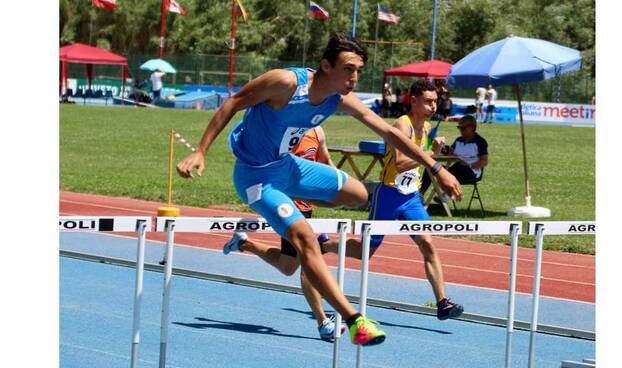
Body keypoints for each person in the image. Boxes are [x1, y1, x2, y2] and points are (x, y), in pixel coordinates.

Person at [175, 32, 463, 347]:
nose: (354, 78)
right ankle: (355, 321)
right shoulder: (285, 83)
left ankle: (294, 215)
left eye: (358, 71)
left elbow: (386, 130)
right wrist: (201, 150)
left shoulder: (339, 98)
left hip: (287, 168)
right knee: (305, 240)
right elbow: (233, 102)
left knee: (359, 196)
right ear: (326, 65)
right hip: (256, 177)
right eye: (348, 69)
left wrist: (435, 168)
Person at [321, 79, 464, 320]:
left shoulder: (427, 127)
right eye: (428, 101)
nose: (433, 106)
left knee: (427, 243)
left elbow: (419, 164)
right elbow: (400, 163)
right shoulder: (402, 124)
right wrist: (432, 155)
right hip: (388, 195)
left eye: (435, 102)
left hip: (411, 198)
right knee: (366, 251)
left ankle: (442, 302)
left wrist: (434, 151)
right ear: (414, 100)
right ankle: (324, 245)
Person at [222, 127, 347, 341]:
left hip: (306, 207)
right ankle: (323, 322)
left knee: (287, 266)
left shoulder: (318, 132)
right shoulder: (287, 130)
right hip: (287, 208)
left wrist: (341, 186)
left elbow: (326, 163)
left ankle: (243, 244)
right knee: (310, 263)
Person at [446, 114, 489, 184]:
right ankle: (422, 193)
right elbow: (450, 154)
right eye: (459, 128)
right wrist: (444, 150)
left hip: (472, 172)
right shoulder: (458, 140)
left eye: (463, 128)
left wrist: (469, 165)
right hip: (457, 169)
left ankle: (447, 194)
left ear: (472, 127)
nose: (460, 130)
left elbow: (484, 161)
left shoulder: (480, 141)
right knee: (432, 167)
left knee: (457, 167)